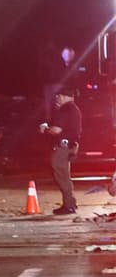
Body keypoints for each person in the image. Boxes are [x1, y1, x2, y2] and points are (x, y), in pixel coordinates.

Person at [40, 86, 82, 215]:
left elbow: (57, 130)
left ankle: (69, 205)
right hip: (69, 146)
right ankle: (70, 203)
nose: (56, 98)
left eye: (58, 96)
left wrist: (45, 129)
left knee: (62, 176)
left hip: (62, 148)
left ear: (63, 96)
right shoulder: (74, 109)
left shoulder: (65, 109)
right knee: (64, 176)